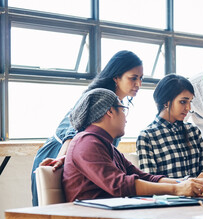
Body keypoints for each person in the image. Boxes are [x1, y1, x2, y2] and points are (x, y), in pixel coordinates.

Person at [31, 50, 143, 206]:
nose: (138, 84)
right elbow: (72, 134)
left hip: (78, 155)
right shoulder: (95, 97)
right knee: (50, 215)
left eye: (140, 78)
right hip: (59, 151)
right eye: (133, 78)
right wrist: (62, 158)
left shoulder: (117, 108)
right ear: (116, 77)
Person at [63, 88, 203, 201]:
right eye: (123, 110)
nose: (126, 118)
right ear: (110, 111)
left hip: (113, 218)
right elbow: (120, 185)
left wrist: (186, 182)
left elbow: (144, 177)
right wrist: (177, 189)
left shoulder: (103, 144)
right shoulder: (87, 143)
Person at [136, 74, 203, 179]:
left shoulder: (193, 131)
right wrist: (188, 183)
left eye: (190, 101)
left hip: (201, 194)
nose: (188, 108)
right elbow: (150, 181)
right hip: (167, 195)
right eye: (183, 102)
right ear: (166, 102)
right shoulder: (147, 136)